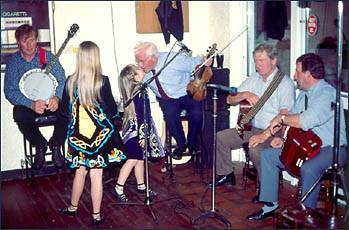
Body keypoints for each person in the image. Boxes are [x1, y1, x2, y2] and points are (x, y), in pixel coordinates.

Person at [246, 53, 347, 221]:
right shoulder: (305, 94)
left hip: (331, 149)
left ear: (307, 74)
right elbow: (291, 117)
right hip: (305, 146)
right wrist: (282, 137)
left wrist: (282, 118)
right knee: (269, 156)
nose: (294, 76)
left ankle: (305, 215)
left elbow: (305, 121)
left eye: (297, 71)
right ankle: (270, 206)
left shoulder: (328, 94)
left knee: (309, 168)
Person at [58, 41, 126, 226]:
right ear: (96, 57)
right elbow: (112, 111)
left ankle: (73, 208)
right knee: (96, 176)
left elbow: (64, 111)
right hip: (99, 139)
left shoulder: (70, 81)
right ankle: (96, 215)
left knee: (79, 173)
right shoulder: (102, 81)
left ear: (79, 57)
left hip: (77, 138)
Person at [214, 43, 296, 197]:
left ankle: (265, 190)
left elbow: (284, 117)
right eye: (256, 61)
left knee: (256, 150)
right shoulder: (254, 78)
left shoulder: (285, 84)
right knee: (222, 138)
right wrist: (245, 94)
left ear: (273, 61)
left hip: (272, 132)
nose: (258, 65)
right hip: (251, 129)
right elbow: (229, 100)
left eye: (262, 60)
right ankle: (227, 174)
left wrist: (264, 135)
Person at [134, 41, 212, 160]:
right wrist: (137, 80)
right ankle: (181, 144)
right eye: (137, 61)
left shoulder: (172, 59)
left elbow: (194, 63)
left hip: (185, 92)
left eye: (142, 61)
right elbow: (133, 83)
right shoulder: (142, 71)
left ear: (153, 57)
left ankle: (192, 143)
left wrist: (204, 60)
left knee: (197, 113)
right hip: (166, 98)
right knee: (170, 115)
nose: (139, 65)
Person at [4, 24, 66, 169]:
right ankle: (40, 145)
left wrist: (56, 98)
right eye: (24, 41)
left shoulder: (48, 57)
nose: (29, 45)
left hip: (50, 103)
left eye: (31, 40)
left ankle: (56, 145)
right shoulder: (14, 63)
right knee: (18, 113)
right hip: (29, 106)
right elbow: (9, 91)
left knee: (68, 108)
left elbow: (63, 80)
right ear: (18, 43)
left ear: (37, 40)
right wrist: (30, 104)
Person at [112, 64, 166, 202]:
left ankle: (141, 185)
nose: (142, 70)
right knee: (133, 159)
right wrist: (143, 135)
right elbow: (142, 115)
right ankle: (119, 186)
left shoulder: (139, 90)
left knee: (140, 159)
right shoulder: (139, 92)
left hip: (136, 129)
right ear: (135, 77)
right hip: (137, 132)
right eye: (139, 70)